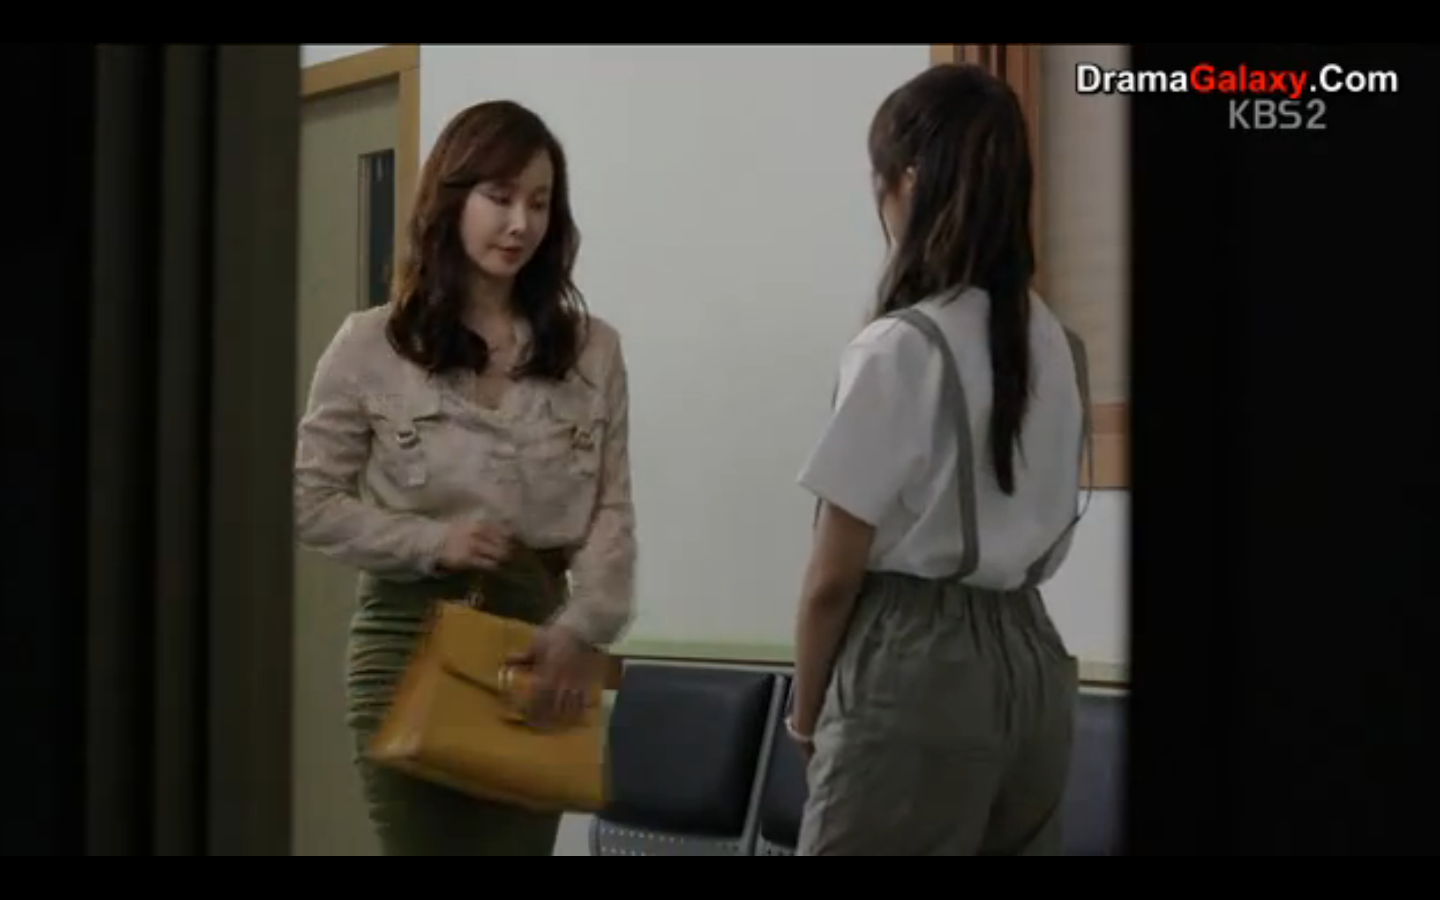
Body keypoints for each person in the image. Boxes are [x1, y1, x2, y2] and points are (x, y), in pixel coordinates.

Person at [293, 99, 636, 856]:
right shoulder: (370, 344)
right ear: (452, 199)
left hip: (541, 644)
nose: (520, 224)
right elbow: (309, 501)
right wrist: (430, 541)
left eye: (539, 203)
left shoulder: (593, 352)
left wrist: (583, 629)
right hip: (407, 641)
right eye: (500, 197)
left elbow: (612, 515)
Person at [785, 63, 1093, 856]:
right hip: (1035, 663)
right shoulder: (1060, 346)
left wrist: (806, 715)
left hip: (914, 663)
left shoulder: (900, 346)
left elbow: (830, 579)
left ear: (909, 181)